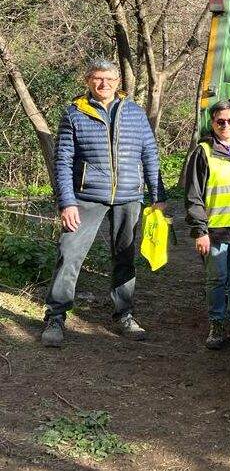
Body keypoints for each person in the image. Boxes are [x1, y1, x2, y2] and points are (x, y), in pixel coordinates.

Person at [42, 58, 165, 347]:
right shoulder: (74, 114)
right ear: (88, 81)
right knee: (69, 253)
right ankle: (56, 317)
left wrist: (159, 196)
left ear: (118, 82)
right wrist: (66, 202)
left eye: (109, 78)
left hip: (129, 197)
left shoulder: (134, 113)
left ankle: (124, 314)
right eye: (97, 78)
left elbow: (150, 155)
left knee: (124, 256)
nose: (103, 83)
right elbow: (62, 162)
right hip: (85, 198)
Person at [185, 101, 230, 349]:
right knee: (216, 279)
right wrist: (200, 231)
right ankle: (217, 324)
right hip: (216, 230)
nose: (226, 125)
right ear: (213, 123)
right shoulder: (203, 152)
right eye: (220, 121)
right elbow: (193, 195)